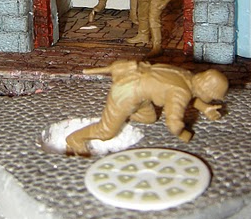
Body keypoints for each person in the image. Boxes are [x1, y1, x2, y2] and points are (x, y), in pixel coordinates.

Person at [66, 60, 229, 155]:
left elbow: (189, 95)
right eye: (212, 96)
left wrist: (205, 108)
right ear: (206, 90)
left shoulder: (186, 76)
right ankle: (75, 139)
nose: (212, 98)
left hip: (141, 93)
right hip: (127, 92)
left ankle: (122, 115)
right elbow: (173, 124)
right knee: (106, 132)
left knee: (149, 118)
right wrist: (183, 133)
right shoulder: (181, 92)